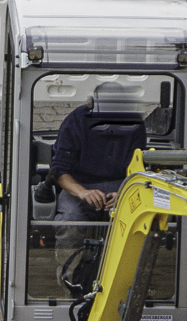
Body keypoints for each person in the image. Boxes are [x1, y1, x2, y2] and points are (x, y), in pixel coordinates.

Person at [47, 83, 149, 226]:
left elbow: (137, 167)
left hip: (121, 184)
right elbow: (60, 170)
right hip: (79, 183)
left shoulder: (135, 123)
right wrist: (83, 192)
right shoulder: (76, 120)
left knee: (141, 220)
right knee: (70, 219)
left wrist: (123, 193)